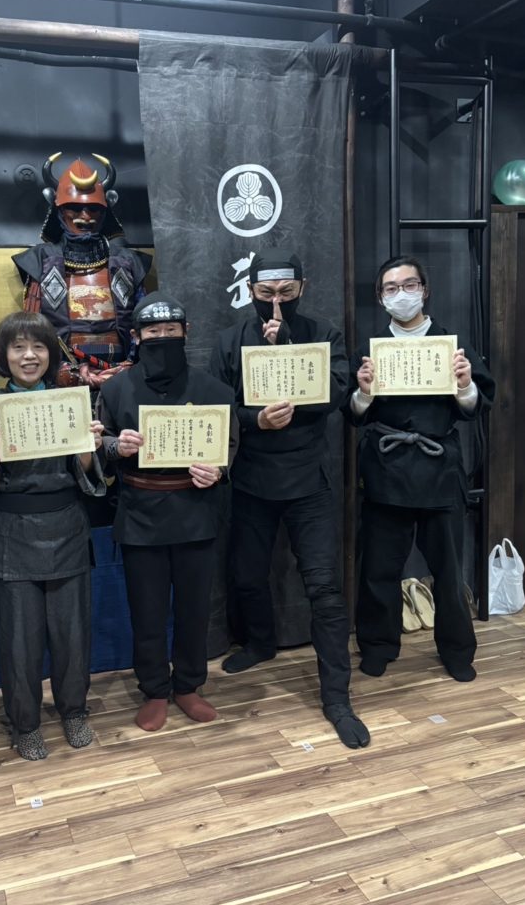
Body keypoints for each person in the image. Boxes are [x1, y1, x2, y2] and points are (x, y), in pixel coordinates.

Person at [210, 251, 370, 750]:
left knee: (325, 589)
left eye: (286, 293)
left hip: (308, 480)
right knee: (246, 575)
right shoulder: (229, 340)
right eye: (266, 294)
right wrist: (255, 419)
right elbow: (217, 407)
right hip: (251, 478)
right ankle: (260, 642)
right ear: (250, 292)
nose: (276, 304)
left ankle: (337, 698)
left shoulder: (324, 333)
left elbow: (339, 392)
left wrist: (289, 351)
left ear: (303, 287)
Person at [345, 256, 495, 681]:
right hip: (385, 468)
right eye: (391, 288)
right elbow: (352, 414)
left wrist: (464, 384)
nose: (401, 294)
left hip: (438, 467)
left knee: (448, 569)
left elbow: (477, 405)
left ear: (424, 290)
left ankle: (457, 649)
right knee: (379, 566)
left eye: (409, 285)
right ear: (380, 298)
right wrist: (363, 392)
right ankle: (378, 644)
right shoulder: (371, 349)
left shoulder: (453, 345)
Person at [0, 312, 106, 760]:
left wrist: (89, 449)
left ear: (50, 354)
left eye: (39, 346)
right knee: (19, 639)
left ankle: (74, 711)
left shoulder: (70, 402)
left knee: (72, 633)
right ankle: (25, 723)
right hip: (12, 532)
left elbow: (87, 473)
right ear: (3, 356)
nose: (29, 356)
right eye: (18, 347)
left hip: (67, 524)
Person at [97, 292, 238, 732]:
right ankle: (155, 688)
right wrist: (115, 447)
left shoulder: (214, 390)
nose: (162, 337)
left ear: (185, 332)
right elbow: (98, 443)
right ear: (137, 336)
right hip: (140, 512)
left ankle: (190, 684)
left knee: (195, 608)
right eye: (152, 331)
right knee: (147, 609)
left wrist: (218, 469)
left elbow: (230, 443)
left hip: (196, 508)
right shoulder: (115, 389)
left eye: (170, 330)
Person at [12, 153, 150, 388]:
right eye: (75, 208)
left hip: (124, 373)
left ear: (106, 209)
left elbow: (143, 326)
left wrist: (130, 364)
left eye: (93, 209)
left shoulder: (128, 262)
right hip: (61, 374)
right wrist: (60, 369)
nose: (85, 216)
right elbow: (31, 330)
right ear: (58, 209)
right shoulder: (40, 261)